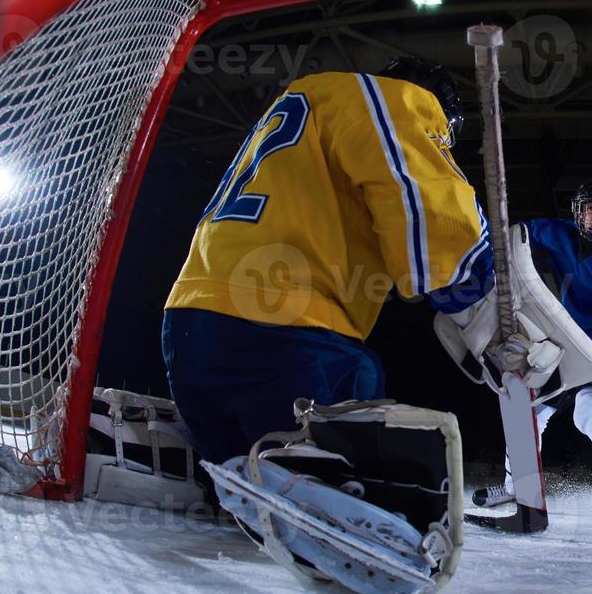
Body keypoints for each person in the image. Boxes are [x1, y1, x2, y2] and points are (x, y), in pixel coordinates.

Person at [162, 58, 521, 467]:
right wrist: (479, 302)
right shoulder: (391, 101)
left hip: (188, 327)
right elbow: (430, 213)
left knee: (255, 486)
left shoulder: (303, 105)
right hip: (283, 334)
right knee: (347, 474)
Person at [471, 181, 592, 508]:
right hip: (566, 345)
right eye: (590, 209)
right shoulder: (558, 233)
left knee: (590, 406)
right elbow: (522, 232)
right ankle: (518, 486)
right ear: (578, 214)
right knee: (525, 406)